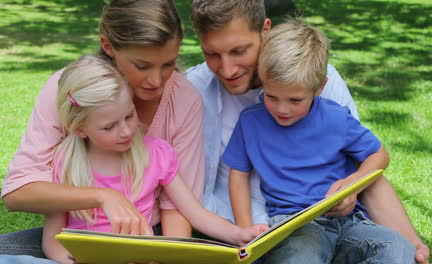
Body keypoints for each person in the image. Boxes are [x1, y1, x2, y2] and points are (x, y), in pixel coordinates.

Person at [187, 0, 430, 263]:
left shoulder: (319, 83)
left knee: (395, 248)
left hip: (339, 218)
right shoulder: (197, 92)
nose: (227, 69)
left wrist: (410, 241)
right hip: (266, 227)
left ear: (264, 29)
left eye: (239, 51)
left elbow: (367, 166)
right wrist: (245, 233)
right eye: (211, 54)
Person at [1, 0, 203, 258]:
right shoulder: (72, 91)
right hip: (80, 232)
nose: (157, 81)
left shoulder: (184, 99)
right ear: (108, 46)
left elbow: (177, 207)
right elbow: (18, 193)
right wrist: (102, 196)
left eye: (168, 64)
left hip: (149, 235)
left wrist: (161, 257)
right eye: (142, 66)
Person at [42, 55, 267, 263]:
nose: (126, 131)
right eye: (109, 126)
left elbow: (195, 213)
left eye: (129, 116)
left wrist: (238, 234)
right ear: (80, 129)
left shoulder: (157, 154)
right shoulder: (66, 161)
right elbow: (52, 239)